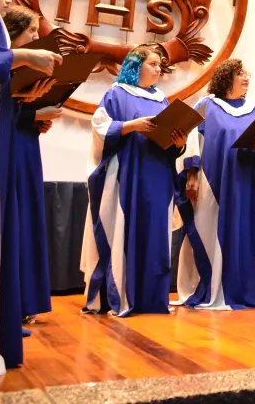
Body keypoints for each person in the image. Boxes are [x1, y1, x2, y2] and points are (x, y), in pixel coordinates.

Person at [0, 0, 61, 378]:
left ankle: (4, 319)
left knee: (9, 228)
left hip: (7, 136)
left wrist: (30, 102)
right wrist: (21, 59)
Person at [80, 45, 187, 317]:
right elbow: (100, 128)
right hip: (128, 173)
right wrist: (132, 126)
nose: (159, 69)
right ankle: (123, 295)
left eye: (160, 65)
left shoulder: (162, 100)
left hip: (158, 175)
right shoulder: (117, 93)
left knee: (156, 236)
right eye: (153, 64)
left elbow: (170, 140)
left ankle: (153, 298)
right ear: (136, 66)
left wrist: (179, 143)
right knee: (125, 232)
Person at [174, 59, 255, 310]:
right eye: (240, 73)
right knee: (211, 232)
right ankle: (211, 287)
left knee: (248, 234)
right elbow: (192, 142)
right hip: (216, 184)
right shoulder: (206, 106)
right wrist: (191, 177)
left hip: (250, 184)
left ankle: (249, 290)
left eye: (247, 72)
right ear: (226, 77)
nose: (246, 77)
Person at [3, 6, 64, 325]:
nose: (37, 37)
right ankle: (9, 302)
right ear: (13, 34)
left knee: (26, 217)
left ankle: (25, 301)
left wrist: (35, 119)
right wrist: (33, 114)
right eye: (31, 32)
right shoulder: (1, 66)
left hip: (26, 145)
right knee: (10, 219)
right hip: (6, 147)